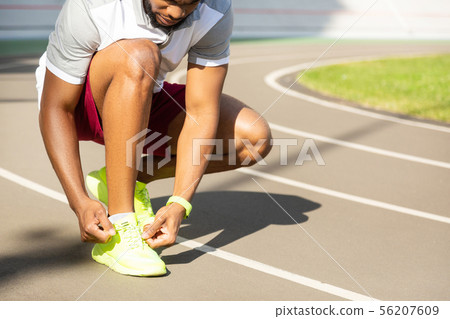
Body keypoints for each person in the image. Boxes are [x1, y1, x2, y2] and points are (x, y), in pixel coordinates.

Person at [36, 0, 272, 276]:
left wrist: (179, 202)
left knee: (252, 139)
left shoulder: (216, 9)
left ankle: (129, 178)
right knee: (140, 54)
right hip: (79, 108)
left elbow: (202, 111)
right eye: (170, 0)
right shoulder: (93, 4)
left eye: (189, 4)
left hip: (143, 98)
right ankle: (120, 227)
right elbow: (55, 107)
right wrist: (79, 201)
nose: (176, 13)